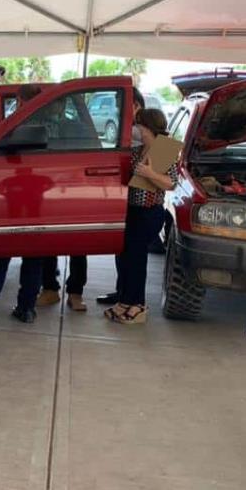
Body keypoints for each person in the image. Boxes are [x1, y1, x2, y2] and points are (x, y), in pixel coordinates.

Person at [0, 84, 45, 324]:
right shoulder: (51, 127)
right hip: (39, 200)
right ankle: (27, 309)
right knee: (34, 255)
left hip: (13, 194)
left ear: (22, 101)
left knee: (1, 253)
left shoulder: (14, 125)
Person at [103, 108, 176, 324]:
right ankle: (125, 300)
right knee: (124, 257)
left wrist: (150, 174)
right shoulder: (138, 150)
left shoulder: (164, 149)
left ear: (148, 126)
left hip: (149, 213)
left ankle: (138, 305)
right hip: (131, 211)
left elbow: (171, 183)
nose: (136, 129)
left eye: (139, 125)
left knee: (136, 259)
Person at [96, 87, 146, 305]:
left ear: (135, 105)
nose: (117, 109)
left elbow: (158, 183)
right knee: (123, 253)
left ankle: (133, 302)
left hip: (146, 209)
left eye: (120, 103)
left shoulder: (163, 142)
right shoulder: (129, 132)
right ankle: (122, 293)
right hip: (128, 202)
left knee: (136, 258)